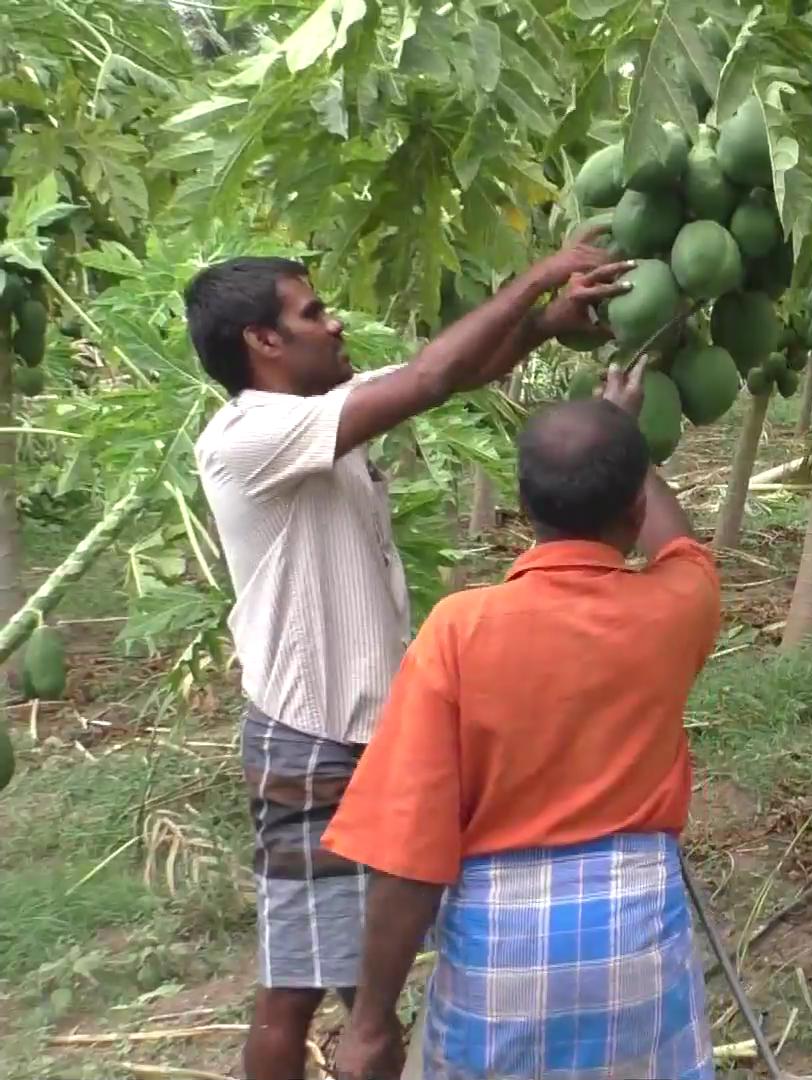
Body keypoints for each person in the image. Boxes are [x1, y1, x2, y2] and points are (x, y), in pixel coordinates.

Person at [186, 230, 634, 1080]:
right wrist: (538, 275)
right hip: (312, 739)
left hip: (363, 735)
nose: (335, 322)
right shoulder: (250, 435)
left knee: (363, 987)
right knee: (296, 989)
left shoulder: (318, 416)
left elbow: (452, 378)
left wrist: (541, 326)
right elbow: (429, 373)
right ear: (263, 342)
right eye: (313, 312)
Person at [322, 369, 723, 1080]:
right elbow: (682, 548)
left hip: (498, 942)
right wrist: (627, 436)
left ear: (521, 502)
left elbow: (411, 847)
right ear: (633, 511)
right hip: (635, 936)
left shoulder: (460, 629)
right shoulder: (678, 607)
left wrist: (371, 1020)